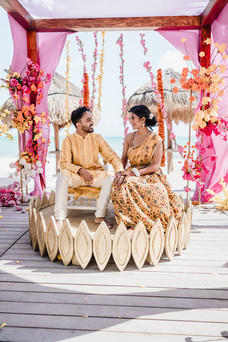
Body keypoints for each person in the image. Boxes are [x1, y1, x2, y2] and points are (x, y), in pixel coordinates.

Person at [111, 105, 182, 235]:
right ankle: (130, 223)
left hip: (149, 174)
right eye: (129, 118)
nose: (130, 121)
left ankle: (146, 223)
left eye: (133, 118)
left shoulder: (156, 140)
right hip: (131, 172)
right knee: (119, 184)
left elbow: (156, 166)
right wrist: (119, 172)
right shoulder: (129, 137)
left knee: (155, 192)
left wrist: (134, 173)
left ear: (143, 119)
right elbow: (123, 159)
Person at [54, 106, 123, 231]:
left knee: (110, 178)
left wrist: (120, 172)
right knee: (62, 175)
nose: (92, 122)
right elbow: (64, 163)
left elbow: (112, 156)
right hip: (77, 177)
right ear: (79, 125)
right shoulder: (68, 141)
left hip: (95, 177)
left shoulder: (97, 138)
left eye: (92, 119)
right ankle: (60, 217)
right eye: (88, 120)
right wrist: (80, 170)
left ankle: (100, 216)